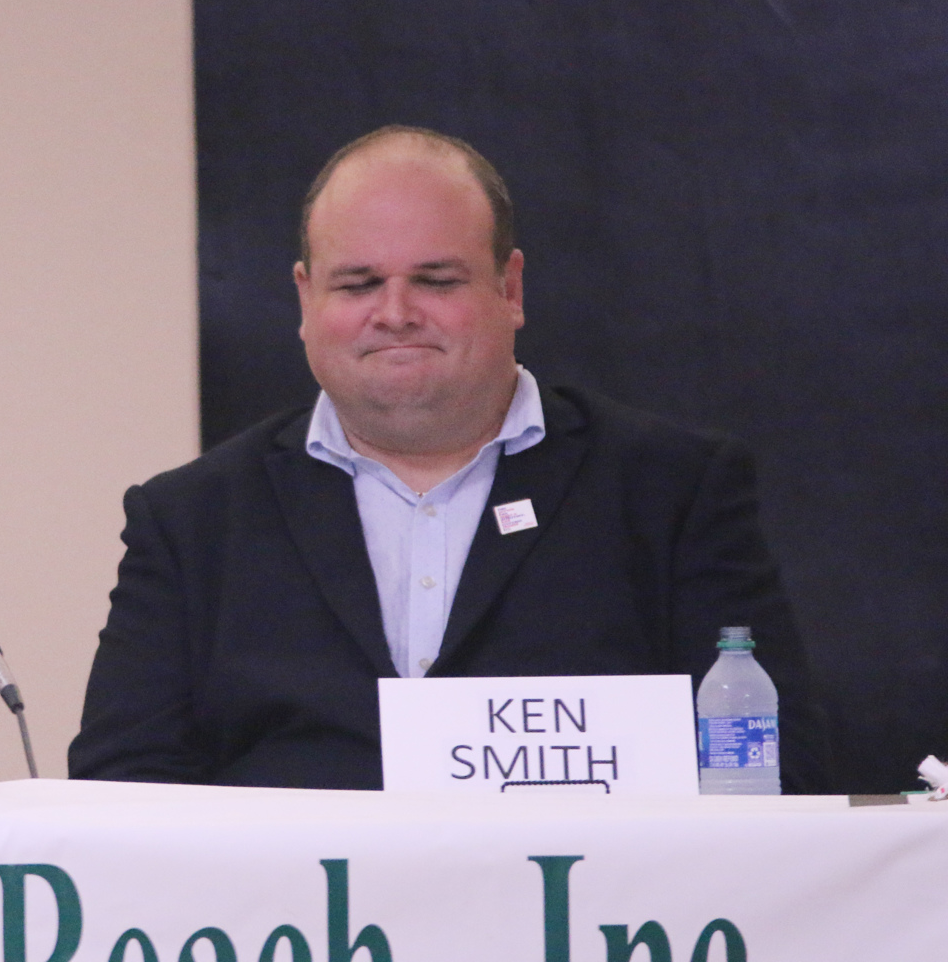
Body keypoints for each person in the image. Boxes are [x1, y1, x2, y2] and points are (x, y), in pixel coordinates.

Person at [70, 125, 826, 792]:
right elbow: (118, 794)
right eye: (358, 282)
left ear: (511, 287)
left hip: (593, 936)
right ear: (305, 299)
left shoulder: (673, 492)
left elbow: (769, 772)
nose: (395, 311)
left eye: (436, 280)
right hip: (302, 942)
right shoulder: (190, 521)